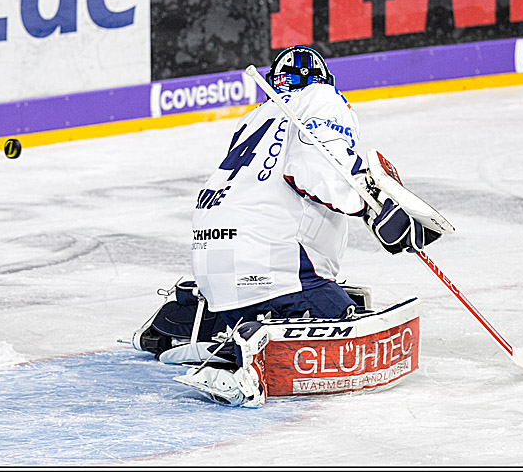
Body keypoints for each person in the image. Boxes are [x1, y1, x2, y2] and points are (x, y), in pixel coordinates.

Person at [172, 45, 439, 405]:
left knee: (285, 286)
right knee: (343, 315)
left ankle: (204, 322)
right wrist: (371, 208)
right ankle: (251, 349)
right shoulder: (322, 98)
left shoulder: (257, 116)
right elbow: (317, 164)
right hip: (271, 267)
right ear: (323, 80)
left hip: (213, 269)